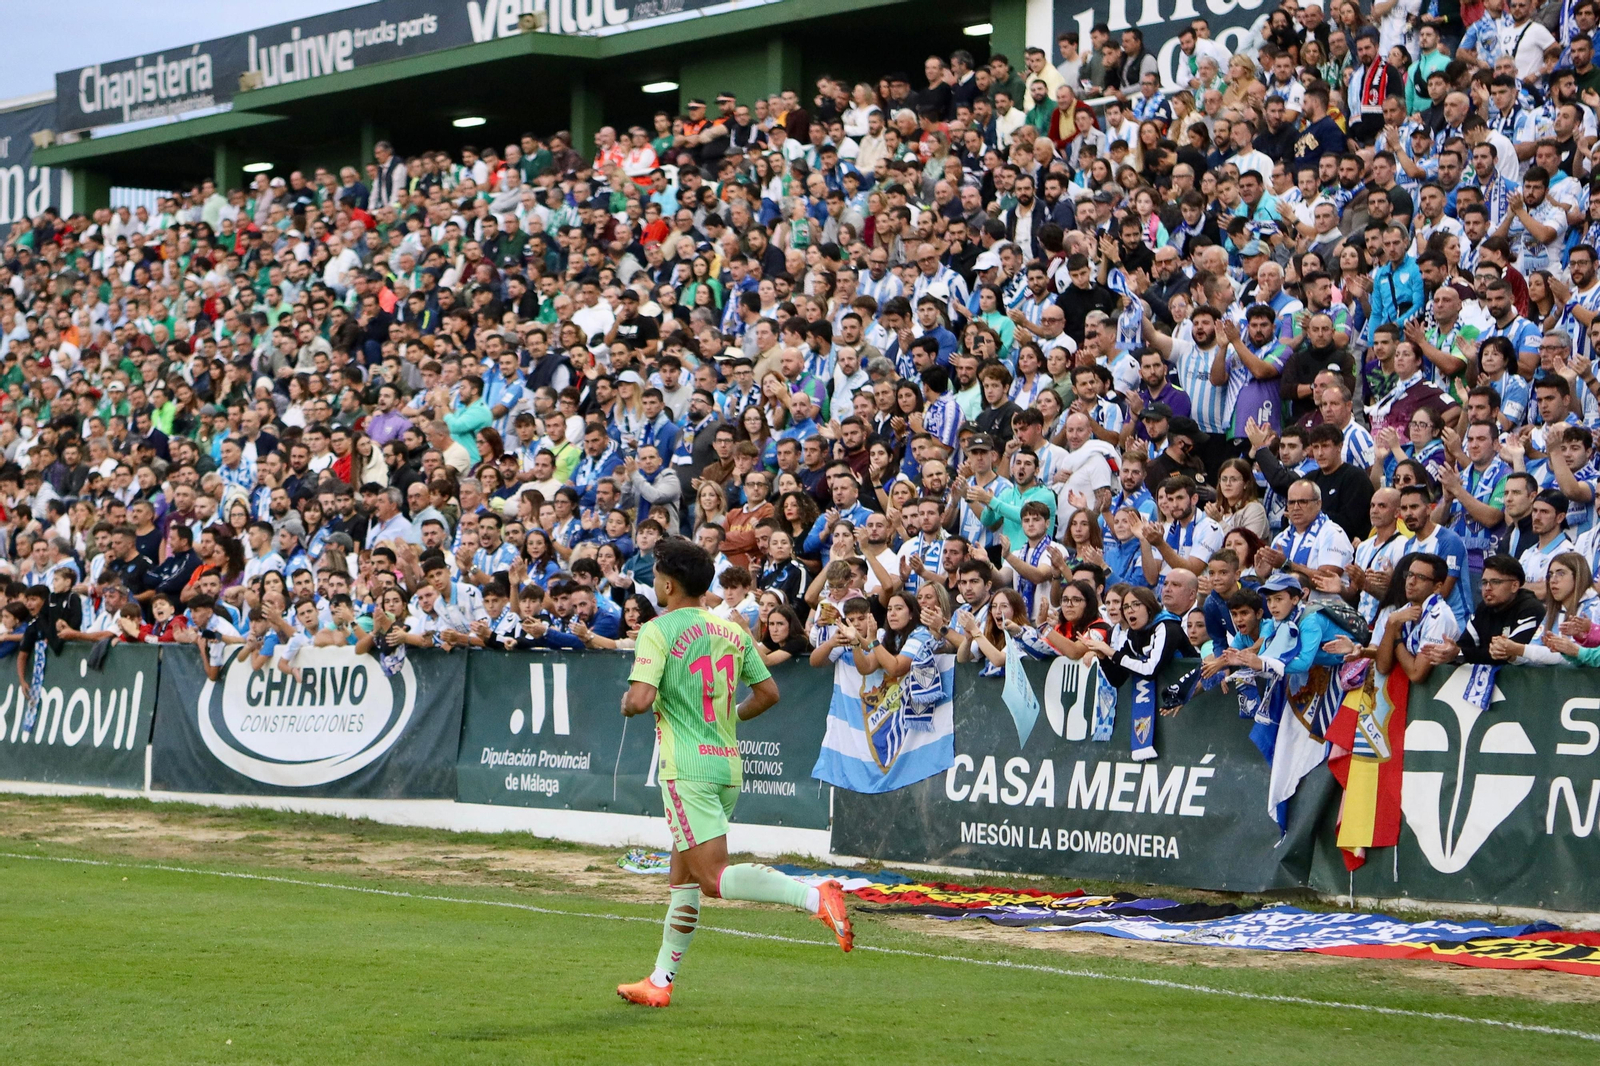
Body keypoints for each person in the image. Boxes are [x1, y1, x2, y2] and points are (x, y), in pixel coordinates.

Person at [616, 539, 851, 1008]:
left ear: (666, 582)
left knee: (712, 878)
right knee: (682, 880)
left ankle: (815, 896)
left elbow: (639, 701)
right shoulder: (733, 632)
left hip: (687, 770)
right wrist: (728, 719)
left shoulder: (657, 631)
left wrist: (627, 703)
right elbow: (768, 694)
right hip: (726, 766)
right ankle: (660, 981)